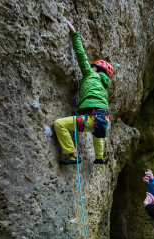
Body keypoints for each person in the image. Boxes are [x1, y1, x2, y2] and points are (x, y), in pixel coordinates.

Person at [54, 20, 113, 165]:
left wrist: (74, 34)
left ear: (97, 69)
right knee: (97, 131)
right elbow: (97, 133)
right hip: (103, 118)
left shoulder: (90, 74)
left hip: (93, 118)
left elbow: (81, 55)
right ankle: (99, 158)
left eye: (93, 66)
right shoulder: (102, 85)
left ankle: (73, 155)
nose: (91, 67)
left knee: (59, 124)